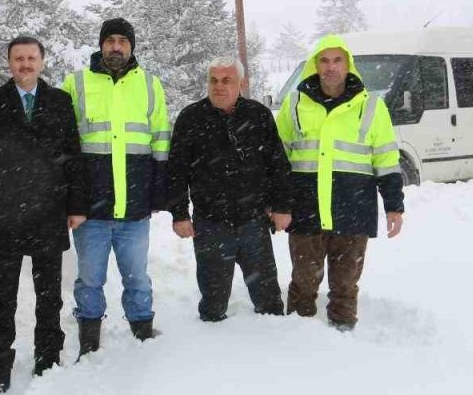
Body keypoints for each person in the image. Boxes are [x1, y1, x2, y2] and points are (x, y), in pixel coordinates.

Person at [0, 36, 85, 393]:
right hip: (5, 215)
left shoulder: (60, 102)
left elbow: (72, 157)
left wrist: (76, 206)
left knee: (50, 293)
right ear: (9, 62)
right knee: (3, 293)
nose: (25, 64)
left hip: (48, 212)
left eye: (31, 58)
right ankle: (0, 360)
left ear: (42, 62)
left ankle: (48, 356)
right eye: (19, 58)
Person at [275, 34, 405, 330]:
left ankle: (344, 336)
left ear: (348, 65)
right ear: (314, 65)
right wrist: (277, 202)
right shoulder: (295, 103)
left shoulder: (371, 106)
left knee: (345, 284)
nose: (330, 67)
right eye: (324, 60)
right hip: (305, 210)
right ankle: (296, 334)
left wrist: (394, 207)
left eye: (337, 60)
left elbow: (386, 159)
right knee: (303, 282)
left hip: (353, 210)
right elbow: (278, 159)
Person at [61, 17, 169, 354]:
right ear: (101, 44)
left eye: (123, 41)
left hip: (134, 209)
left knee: (137, 277)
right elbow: (64, 147)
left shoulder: (150, 85)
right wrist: (71, 201)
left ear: (132, 46)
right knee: (89, 280)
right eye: (110, 40)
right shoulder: (76, 83)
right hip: (90, 211)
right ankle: (89, 338)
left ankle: (142, 332)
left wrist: (157, 193)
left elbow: (161, 143)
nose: (116, 46)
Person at [167, 56, 293, 322]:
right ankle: (214, 355)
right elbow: (176, 172)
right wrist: (179, 214)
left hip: (254, 224)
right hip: (211, 225)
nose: (219, 86)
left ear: (241, 84)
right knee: (213, 306)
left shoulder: (258, 115)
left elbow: (278, 165)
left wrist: (281, 206)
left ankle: (278, 351)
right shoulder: (191, 118)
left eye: (227, 80)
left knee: (269, 302)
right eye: (213, 80)